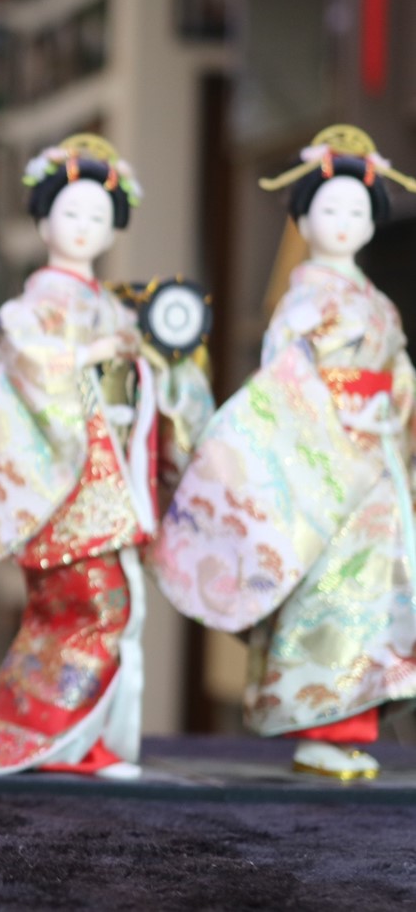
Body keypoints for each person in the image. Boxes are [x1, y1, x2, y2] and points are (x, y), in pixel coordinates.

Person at [0, 135, 212, 776]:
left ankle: (58, 733)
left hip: (107, 463)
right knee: (97, 600)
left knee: (79, 604)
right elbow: (32, 363)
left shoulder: (111, 304)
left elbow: (146, 372)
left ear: (114, 227)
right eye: (71, 213)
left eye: (97, 216)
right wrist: (92, 355)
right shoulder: (36, 305)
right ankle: (62, 737)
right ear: (44, 221)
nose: (84, 226)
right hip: (67, 468)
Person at [152, 125, 416, 781]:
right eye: (330, 208)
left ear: (373, 220)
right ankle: (320, 726)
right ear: (302, 218)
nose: (344, 221)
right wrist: (331, 437)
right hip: (327, 466)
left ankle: (353, 724)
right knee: (326, 593)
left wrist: (398, 413)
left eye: (356, 210)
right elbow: (281, 383)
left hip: (378, 463)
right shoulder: (301, 300)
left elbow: (398, 372)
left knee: (375, 594)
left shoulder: (377, 304)